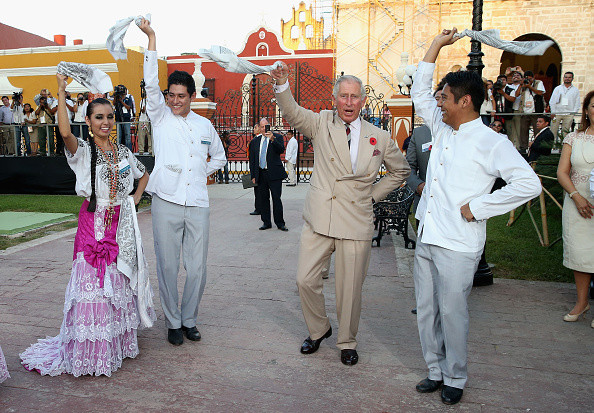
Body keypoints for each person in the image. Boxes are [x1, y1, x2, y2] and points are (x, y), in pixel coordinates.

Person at [410, 28, 542, 405]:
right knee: (427, 310)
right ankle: (434, 370)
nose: (438, 102)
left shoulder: (491, 142)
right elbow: (420, 92)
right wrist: (435, 45)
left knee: (453, 314)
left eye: (445, 97)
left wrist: (480, 207)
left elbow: (528, 183)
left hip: (459, 243)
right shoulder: (442, 126)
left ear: (465, 101)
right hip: (428, 233)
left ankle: (456, 376)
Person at [270, 62, 410, 366]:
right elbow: (292, 112)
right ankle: (319, 329)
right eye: (343, 96)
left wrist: (372, 195)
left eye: (354, 97)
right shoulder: (321, 123)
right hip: (321, 217)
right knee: (305, 280)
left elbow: (400, 171)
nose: (348, 103)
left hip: (356, 219)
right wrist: (282, 84)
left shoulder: (379, 137)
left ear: (362, 101)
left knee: (349, 290)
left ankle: (347, 341)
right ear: (335, 99)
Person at [20, 73, 155, 377]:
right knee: (92, 287)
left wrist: (134, 197)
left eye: (109, 116)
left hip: (120, 227)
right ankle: (90, 351)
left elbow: (143, 173)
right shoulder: (82, 151)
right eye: (98, 117)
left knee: (118, 282)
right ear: (89, 121)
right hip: (92, 225)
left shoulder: (122, 153)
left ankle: (114, 344)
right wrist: (60, 90)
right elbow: (65, 133)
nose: (105, 122)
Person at [139, 19, 227, 346]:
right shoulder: (160, 117)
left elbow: (219, 158)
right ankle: (173, 322)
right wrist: (152, 38)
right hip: (165, 201)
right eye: (171, 95)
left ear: (192, 96)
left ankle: (190, 319)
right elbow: (149, 84)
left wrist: (200, 173)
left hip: (198, 205)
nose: (175, 101)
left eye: (181, 96)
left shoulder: (204, 126)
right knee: (167, 266)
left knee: (197, 267)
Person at [556, 90, 594, 328]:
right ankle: (582, 303)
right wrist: (577, 197)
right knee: (581, 255)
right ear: (587, 110)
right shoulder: (574, 138)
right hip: (578, 205)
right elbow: (562, 171)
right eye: (593, 106)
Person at [248, 118, 288, 231]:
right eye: (262, 126)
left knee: (276, 198)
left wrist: (272, 139)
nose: (265, 128)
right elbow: (253, 160)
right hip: (261, 174)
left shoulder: (277, 137)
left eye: (267, 126)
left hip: (274, 174)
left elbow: (281, 150)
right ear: (259, 128)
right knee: (263, 199)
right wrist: (253, 176)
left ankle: (280, 223)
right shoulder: (255, 141)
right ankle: (266, 222)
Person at [515, 70, 546, 154]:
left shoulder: (538, 83)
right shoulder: (523, 85)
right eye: (526, 78)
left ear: (533, 78)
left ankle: (536, 147)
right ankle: (523, 148)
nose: (528, 80)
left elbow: (540, 93)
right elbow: (516, 94)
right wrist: (521, 85)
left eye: (530, 78)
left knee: (537, 131)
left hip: (535, 111)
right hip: (525, 111)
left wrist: (530, 86)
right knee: (523, 131)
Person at [550, 72, 580, 141]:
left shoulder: (575, 90)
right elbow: (552, 101)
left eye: (569, 77)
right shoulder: (558, 88)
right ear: (563, 78)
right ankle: (552, 147)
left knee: (565, 132)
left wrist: (573, 113)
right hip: (557, 113)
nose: (567, 79)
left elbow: (577, 102)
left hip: (568, 114)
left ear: (572, 78)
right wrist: (553, 111)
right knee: (553, 131)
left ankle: (563, 147)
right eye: (566, 77)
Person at [35, 90, 57, 156]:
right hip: (41, 125)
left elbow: (52, 112)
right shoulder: (38, 107)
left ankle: (51, 151)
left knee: (50, 139)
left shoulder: (49, 105)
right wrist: (40, 106)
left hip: (48, 124)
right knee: (41, 139)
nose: (43, 103)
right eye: (41, 102)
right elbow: (36, 113)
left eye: (44, 101)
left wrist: (46, 106)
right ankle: (42, 151)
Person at [248, 123, 262, 215]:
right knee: (257, 191)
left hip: (265, 170)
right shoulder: (254, 141)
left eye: (255, 127)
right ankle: (258, 208)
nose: (254, 129)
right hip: (257, 171)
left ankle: (261, 208)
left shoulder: (267, 139)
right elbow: (251, 159)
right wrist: (253, 174)